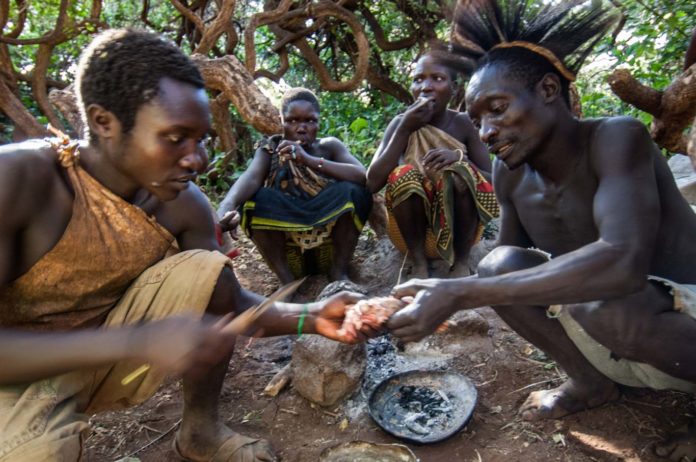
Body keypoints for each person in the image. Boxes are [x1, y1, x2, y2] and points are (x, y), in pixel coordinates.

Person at [0, 29, 368, 462]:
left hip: (106, 354)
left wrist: (310, 316)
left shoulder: (182, 204)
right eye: (176, 138)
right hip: (18, 374)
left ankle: (200, 431)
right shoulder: (20, 180)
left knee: (205, 269)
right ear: (104, 122)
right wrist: (135, 342)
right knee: (38, 452)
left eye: (202, 139)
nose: (198, 160)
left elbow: (226, 301)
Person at [387, 0, 696, 460]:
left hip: (679, 315)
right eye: (477, 121)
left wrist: (458, 294)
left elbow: (622, 263)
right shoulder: (512, 174)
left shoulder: (616, 138)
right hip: (620, 323)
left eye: (497, 109)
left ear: (549, 89)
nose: (487, 132)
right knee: (497, 264)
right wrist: (445, 290)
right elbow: (501, 276)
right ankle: (590, 382)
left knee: (602, 303)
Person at [217, 88, 372, 284]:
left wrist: (309, 160)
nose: (301, 128)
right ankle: (287, 282)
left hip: (330, 241)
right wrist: (226, 205)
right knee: (253, 202)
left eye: (309, 121)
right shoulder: (270, 149)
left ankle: (339, 273)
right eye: (292, 121)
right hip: (289, 248)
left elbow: (363, 176)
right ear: (281, 120)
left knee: (356, 192)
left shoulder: (329, 146)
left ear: (318, 121)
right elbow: (251, 177)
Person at [366, 51, 498, 279]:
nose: (425, 87)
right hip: (412, 231)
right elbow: (371, 183)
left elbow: (492, 178)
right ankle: (419, 264)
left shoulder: (464, 124)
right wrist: (405, 129)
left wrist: (461, 160)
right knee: (402, 174)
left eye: (437, 78)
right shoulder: (401, 124)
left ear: (454, 89)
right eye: (418, 79)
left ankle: (461, 262)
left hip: (461, 229)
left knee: (460, 173)